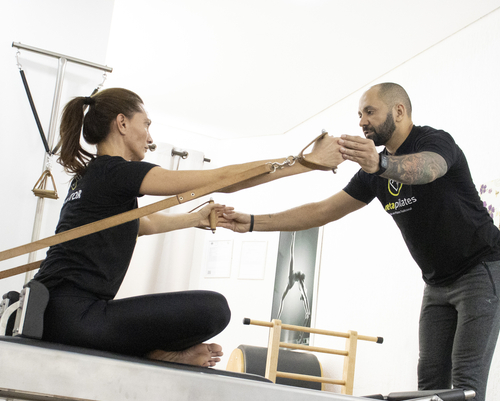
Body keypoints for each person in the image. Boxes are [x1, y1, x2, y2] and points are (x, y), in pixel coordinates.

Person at [219, 82, 500, 401]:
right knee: (429, 386)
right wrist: (255, 222)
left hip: (482, 271)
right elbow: (322, 211)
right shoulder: (372, 172)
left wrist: (382, 164)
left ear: (399, 112)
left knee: (464, 382)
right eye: (360, 115)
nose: (362, 122)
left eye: (369, 113)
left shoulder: (435, 143)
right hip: (436, 282)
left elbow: (426, 170)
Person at [34, 87, 343, 368]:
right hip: (78, 317)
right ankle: (153, 353)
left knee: (207, 309)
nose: (150, 137)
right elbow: (223, 180)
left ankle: (155, 352)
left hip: (50, 310)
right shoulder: (117, 172)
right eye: (146, 124)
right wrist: (308, 161)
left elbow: (141, 224)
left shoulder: (89, 177)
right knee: (214, 309)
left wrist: (193, 219)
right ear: (122, 123)